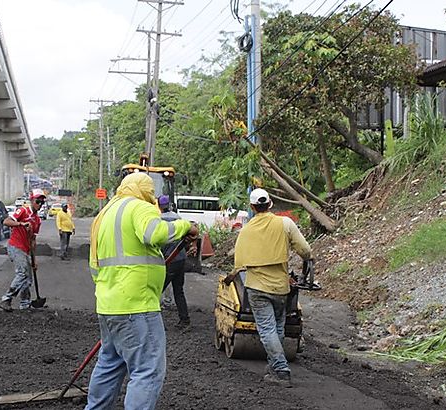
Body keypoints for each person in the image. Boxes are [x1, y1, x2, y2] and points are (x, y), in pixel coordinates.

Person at [85, 173, 198, 410]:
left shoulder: (103, 214)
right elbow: (155, 233)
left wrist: (111, 291)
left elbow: (95, 265)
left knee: (109, 363)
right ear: (145, 190)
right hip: (137, 306)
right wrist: (186, 225)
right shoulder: (139, 207)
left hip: (108, 305)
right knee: (147, 369)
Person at [225, 188, 312, 388]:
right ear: (270, 204)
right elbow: (306, 250)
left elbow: (239, 264)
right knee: (277, 327)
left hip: (256, 287)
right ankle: (274, 366)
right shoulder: (285, 224)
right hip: (280, 287)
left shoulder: (246, 230)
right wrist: (308, 262)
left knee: (267, 329)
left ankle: (281, 370)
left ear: (252, 207)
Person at [0, 189, 45, 312]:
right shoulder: (23, 210)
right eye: (38, 201)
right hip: (15, 246)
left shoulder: (37, 220)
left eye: (42, 202)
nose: (40, 204)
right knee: (22, 273)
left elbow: (33, 240)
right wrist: (21, 224)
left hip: (26, 250)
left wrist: (34, 260)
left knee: (28, 278)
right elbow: (6, 221)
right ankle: (6, 299)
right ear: (32, 200)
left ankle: (25, 304)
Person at [158, 194, 190, 329]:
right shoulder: (178, 218)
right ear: (169, 205)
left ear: (159, 206)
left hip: (168, 259)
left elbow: (159, 241)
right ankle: (185, 320)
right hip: (180, 258)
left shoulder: (158, 220)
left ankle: (156, 324)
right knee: (179, 291)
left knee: (156, 292)